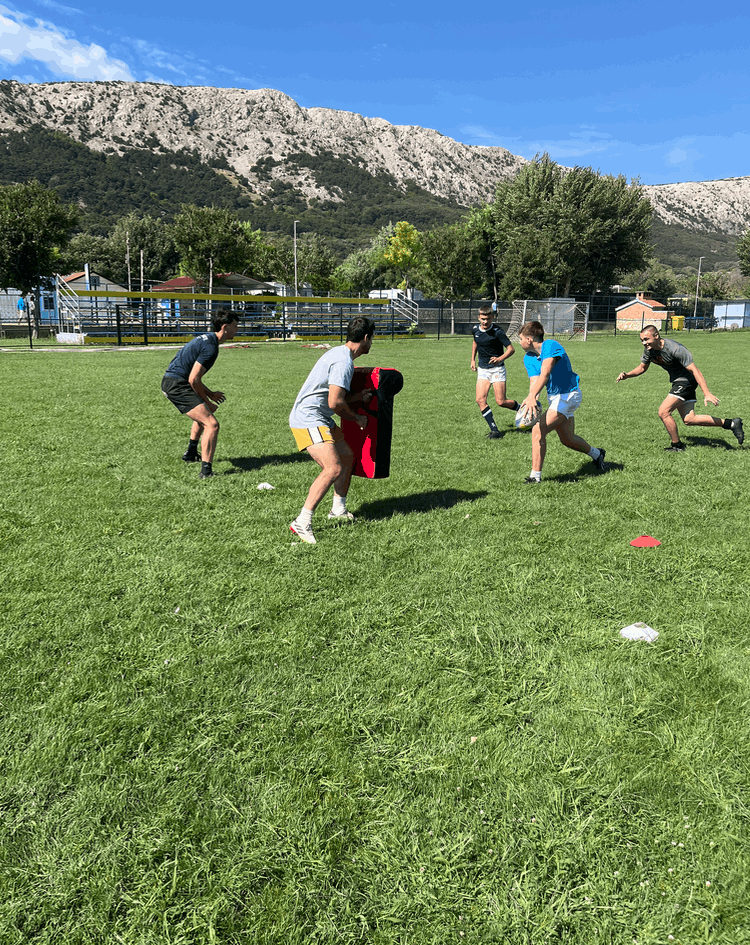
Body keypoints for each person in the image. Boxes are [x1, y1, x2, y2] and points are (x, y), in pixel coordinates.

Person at [288, 316, 375, 544]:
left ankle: (338, 509)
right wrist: (356, 418)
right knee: (333, 467)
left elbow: (333, 396)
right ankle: (302, 521)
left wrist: (356, 397)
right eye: (372, 338)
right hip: (308, 419)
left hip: (319, 417)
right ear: (366, 338)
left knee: (346, 457)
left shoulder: (340, 354)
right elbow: (335, 403)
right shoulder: (343, 362)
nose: (371, 343)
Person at [616, 325, 743, 451]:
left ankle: (677, 446)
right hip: (679, 382)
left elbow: (695, 370)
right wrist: (627, 375)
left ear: (656, 336)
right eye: (642, 340)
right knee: (689, 419)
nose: (644, 343)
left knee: (663, 412)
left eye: (646, 339)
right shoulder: (649, 350)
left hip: (686, 381)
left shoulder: (675, 349)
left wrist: (707, 393)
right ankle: (731, 423)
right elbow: (642, 367)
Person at [517, 320, 606, 483]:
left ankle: (534, 477)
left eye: (520, 338)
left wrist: (532, 397)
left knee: (538, 429)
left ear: (529, 339)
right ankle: (598, 454)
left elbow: (545, 373)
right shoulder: (529, 358)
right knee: (567, 439)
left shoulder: (550, 345)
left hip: (568, 395)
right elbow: (535, 381)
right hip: (555, 398)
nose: (519, 342)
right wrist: (532, 399)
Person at [161, 308, 239, 479]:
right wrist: (207, 401)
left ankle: (190, 453)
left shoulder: (209, 340)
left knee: (203, 415)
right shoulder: (211, 346)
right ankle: (206, 472)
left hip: (174, 381)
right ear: (225, 327)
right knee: (212, 424)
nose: (237, 329)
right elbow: (193, 380)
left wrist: (210, 395)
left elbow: (193, 378)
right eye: (235, 325)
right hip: (176, 385)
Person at [470, 304, 519, 438]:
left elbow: (511, 349)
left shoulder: (498, 332)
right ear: (479, 317)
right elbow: (475, 342)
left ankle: (523, 409)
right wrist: (472, 359)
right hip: (483, 370)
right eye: (483, 319)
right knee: (480, 400)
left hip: (497, 369)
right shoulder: (475, 329)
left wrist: (499, 359)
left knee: (501, 402)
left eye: (488, 319)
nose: (485, 322)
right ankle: (495, 431)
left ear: (493, 318)